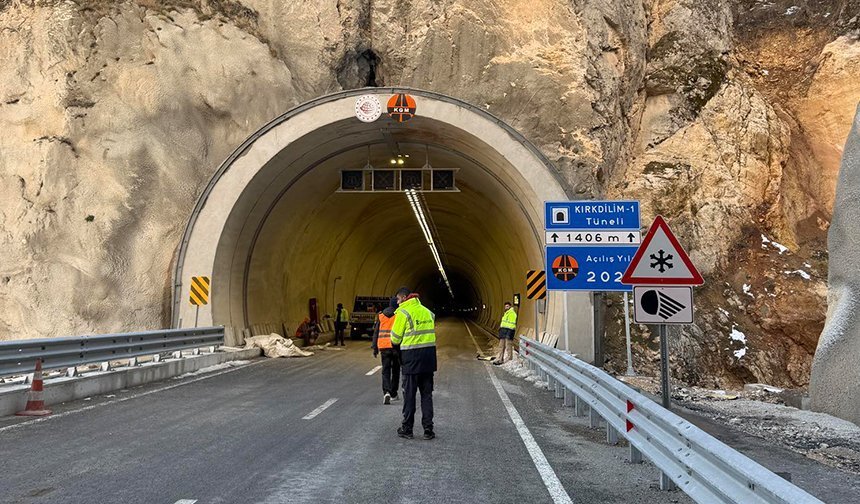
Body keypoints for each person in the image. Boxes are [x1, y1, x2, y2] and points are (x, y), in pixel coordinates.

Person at [390, 287, 436, 440]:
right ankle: (428, 429)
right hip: (428, 359)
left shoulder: (403, 313)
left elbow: (395, 339)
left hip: (411, 359)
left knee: (409, 396)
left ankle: (407, 428)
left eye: (397, 299)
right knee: (426, 395)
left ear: (403, 298)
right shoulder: (427, 312)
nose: (397, 302)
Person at [372, 298, 400, 405]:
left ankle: (386, 392)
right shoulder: (398, 315)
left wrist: (375, 348)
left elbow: (376, 332)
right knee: (396, 370)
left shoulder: (381, 315)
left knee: (386, 370)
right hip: (395, 346)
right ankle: (393, 393)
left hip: (383, 347)